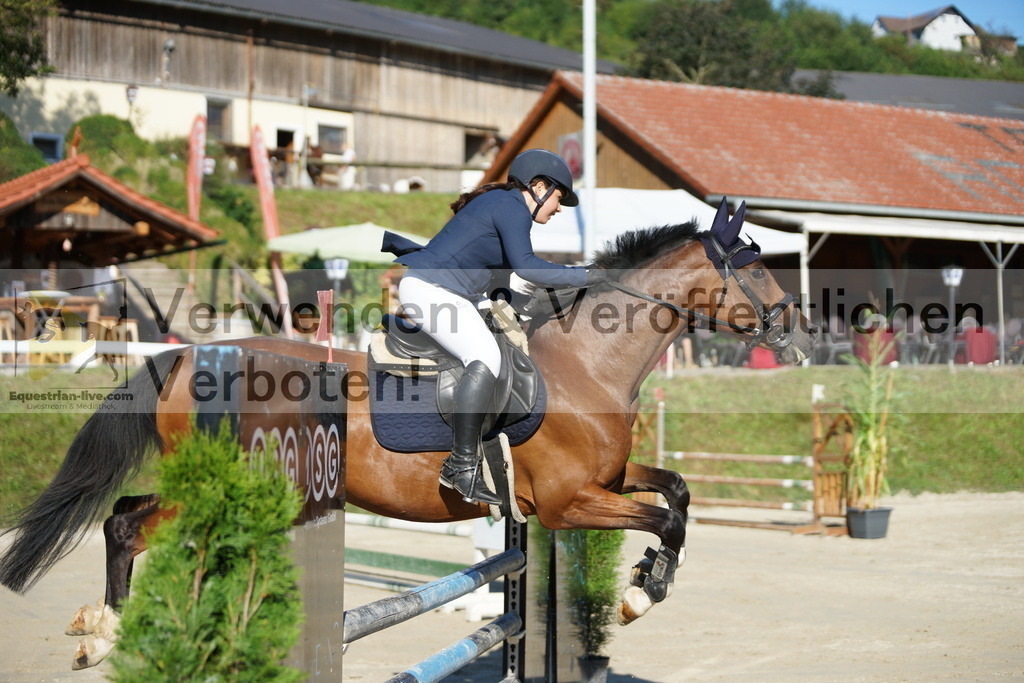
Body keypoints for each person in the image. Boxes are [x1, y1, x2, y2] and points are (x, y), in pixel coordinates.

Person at [383, 149, 609, 504]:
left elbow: (501, 287)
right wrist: (588, 275)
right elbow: (528, 267)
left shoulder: (505, 207)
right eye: (558, 198)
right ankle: (460, 465)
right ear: (538, 187)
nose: (559, 208)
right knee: (486, 357)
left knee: (505, 342)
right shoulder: (510, 208)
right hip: (431, 290)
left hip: (455, 292)